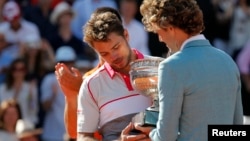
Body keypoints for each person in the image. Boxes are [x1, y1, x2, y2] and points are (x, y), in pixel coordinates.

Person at [120, 0, 243, 141]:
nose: (160, 39)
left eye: (158, 32)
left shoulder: (171, 66)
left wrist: (151, 133)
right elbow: (237, 130)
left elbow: (165, 137)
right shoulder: (228, 61)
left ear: (170, 28)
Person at [55, 7, 162, 141]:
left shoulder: (162, 68)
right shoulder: (90, 83)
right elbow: (80, 135)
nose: (113, 56)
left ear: (126, 35)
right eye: (104, 54)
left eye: (116, 47)